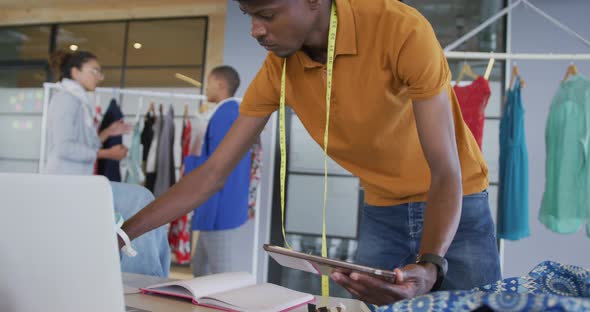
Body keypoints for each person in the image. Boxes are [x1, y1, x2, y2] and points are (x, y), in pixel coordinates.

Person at [120, 0, 501, 305]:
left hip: (457, 203)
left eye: (266, 14)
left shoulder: (400, 29)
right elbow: (212, 172)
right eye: (249, 15)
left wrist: (431, 266)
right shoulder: (277, 70)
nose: (255, 29)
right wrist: (121, 235)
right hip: (383, 209)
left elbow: (445, 169)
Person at [46, 50, 170, 277]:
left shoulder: (78, 100)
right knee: (141, 198)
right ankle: (143, 277)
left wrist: (108, 133)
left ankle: (154, 274)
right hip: (67, 184)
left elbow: (84, 144)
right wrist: (107, 154)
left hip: (81, 183)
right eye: (95, 71)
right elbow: (64, 148)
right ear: (75, 72)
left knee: (147, 204)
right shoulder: (66, 99)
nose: (99, 77)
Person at [184, 65, 251, 277]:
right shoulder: (232, 112)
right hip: (219, 204)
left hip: (217, 206)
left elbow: (217, 166)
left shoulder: (225, 114)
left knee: (220, 275)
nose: (206, 88)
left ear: (220, 83)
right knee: (200, 268)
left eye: (208, 82)